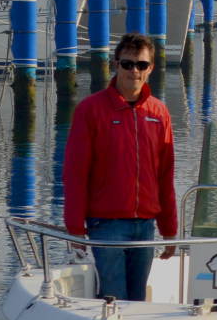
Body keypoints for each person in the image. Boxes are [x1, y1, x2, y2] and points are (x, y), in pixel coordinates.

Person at [62, 32, 178, 301]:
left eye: (141, 65)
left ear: (151, 68)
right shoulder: (90, 110)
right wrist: (75, 227)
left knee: (136, 300)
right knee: (114, 298)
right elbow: (75, 173)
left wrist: (170, 228)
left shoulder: (159, 113)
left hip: (145, 226)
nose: (134, 72)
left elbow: (165, 175)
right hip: (107, 225)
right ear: (116, 65)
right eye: (127, 64)